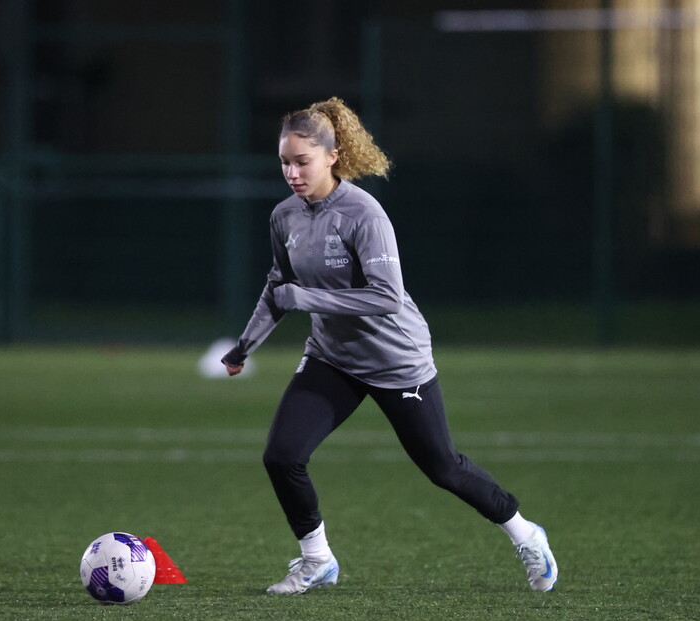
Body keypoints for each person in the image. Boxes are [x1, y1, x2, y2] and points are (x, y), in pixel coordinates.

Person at [221, 97, 558, 595]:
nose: (291, 173)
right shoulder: (284, 217)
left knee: (442, 467)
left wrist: (304, 296)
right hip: (332, 357)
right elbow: (279, 286)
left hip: (396, 360)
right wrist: (244, 347)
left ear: (331, 157)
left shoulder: (364, 213)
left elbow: (385, 297)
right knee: (282, 455)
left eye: (302, 161)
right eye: (284, 162)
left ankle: (525, 533)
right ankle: (317, 559)